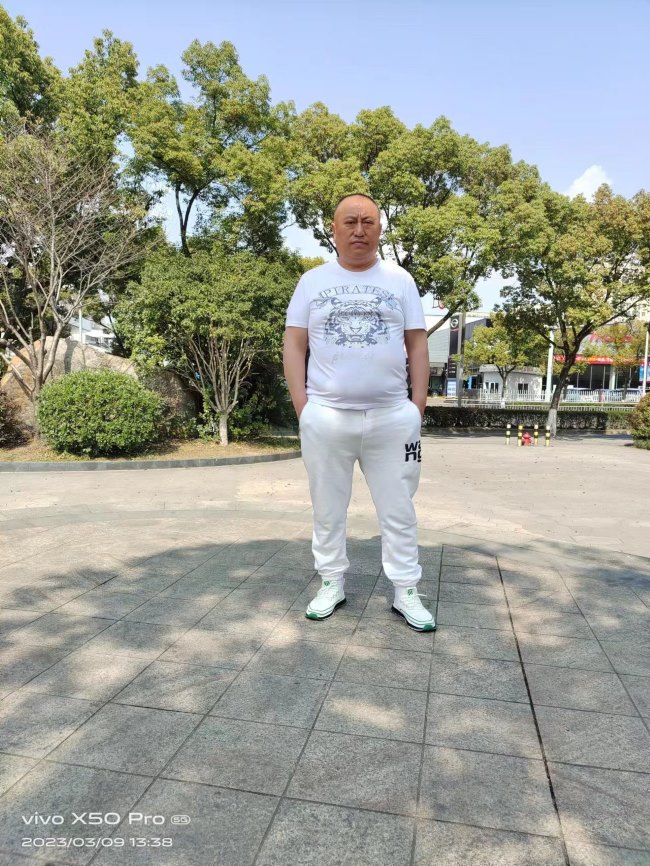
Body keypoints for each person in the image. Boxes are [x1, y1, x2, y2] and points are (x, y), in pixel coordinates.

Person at [283, 193, 435, 631]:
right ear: (334, 229)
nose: (359, 229)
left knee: (399, 508)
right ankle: (331, 581)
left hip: (392, 417)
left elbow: (417, 344)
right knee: (327, 507)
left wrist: (416, 408)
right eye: (350, 221)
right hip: (326, 416)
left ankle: (406, 589)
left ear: (380, 229)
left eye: (368, 221)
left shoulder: (400, 280)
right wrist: (303, 408)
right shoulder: (311, 282)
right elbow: (294, 344)